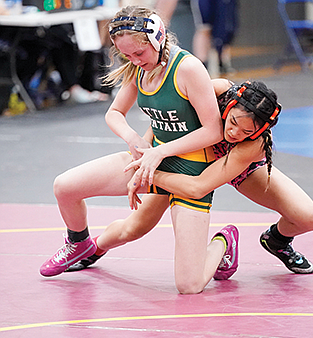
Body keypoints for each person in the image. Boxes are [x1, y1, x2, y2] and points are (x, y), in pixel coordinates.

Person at [39, 5, 240, 294]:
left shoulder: (188, 68)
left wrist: (160, 151)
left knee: (189, 285)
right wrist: (135, 140)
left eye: (139, 54)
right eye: (127, 56)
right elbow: (114, 113)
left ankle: (224, 242)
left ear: (158, 39)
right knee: (65, 187)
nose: (134, 61)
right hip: (150, 161)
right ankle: (79, 242)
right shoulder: (138, 69)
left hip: (191, 171)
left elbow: (213, 131)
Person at [69, 78, 313, 278]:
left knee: (307, 218)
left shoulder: (254, 144)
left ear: (259, 132)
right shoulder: (218, 90)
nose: (234, 133)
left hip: (235, 168)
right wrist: (149, 149)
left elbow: (198, 186)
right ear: (229, 105)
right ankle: (93, 248)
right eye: (232, 122)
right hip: (188, 159)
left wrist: (150, 173)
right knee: (134, 228)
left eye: (247, 132)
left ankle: (276, 240)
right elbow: (167, 118)